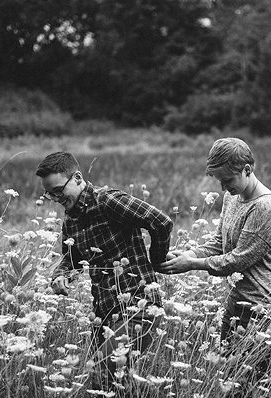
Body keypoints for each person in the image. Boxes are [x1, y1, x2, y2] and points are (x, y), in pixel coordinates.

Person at [35, 151, 173, 385]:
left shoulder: (108, 201)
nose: (56, 198)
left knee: (104, 375)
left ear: (77, 178)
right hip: (105, 314)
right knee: (111, 386)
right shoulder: (71, 219)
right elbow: (72, 259)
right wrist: (61, 276)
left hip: (138, 307)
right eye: (50, 194)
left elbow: (160, 221)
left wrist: (157, 260)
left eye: (59, 190)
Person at [158, 137, 271, 345]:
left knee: (263, 376)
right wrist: (189, 255)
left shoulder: (265, 207)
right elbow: (219, 241)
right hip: (237, 301)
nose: (222, 188)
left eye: (228, 180)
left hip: (266, 308)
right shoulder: (233, 197)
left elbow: (238, 260)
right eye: (219, 181)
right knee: (229, 372)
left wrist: (192, 265)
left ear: (247, 169)